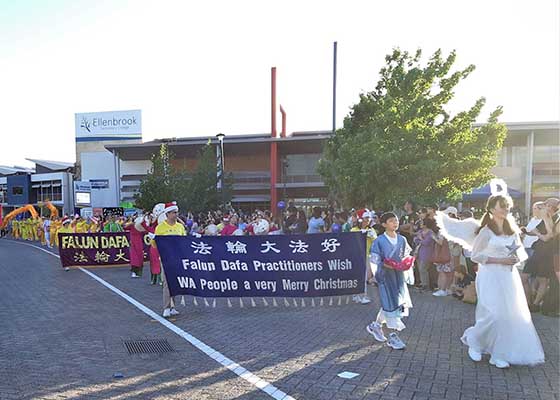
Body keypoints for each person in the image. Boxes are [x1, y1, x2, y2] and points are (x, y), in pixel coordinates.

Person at [436, 180, 544, 368]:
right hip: (489, 275)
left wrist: (514, 260)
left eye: (507, 207)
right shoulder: (485, 231)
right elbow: (475, 255)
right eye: (501, 207)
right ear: (492, 209)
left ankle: (498, 352)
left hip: (508, 276)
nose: (504, 210)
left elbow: (519, 253)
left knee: (509, 315)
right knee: (493, 314)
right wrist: (499, 260)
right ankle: (475, 341)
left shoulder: (512, 231)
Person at [366, 212, 414, 350]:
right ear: (384, 224)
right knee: (391, 303)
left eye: (396, 220)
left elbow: (406, 255)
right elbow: (374, 259)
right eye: (392, 221)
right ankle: (393, 336)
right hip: (385, 276)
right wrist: (376, 273)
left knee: (394, 302)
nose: (395, 223)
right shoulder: (379, 241)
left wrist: (407, 263)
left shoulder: (402, 239)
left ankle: (375, 325)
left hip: (398, 275)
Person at [152, 201, 186, 318]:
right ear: (167, 214)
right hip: (166, 259)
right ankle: (166, 307)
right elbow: (154, 244)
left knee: (175, 282)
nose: (176, 215)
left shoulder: (180, 227)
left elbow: (184, 242)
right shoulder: (160, 227)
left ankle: (173, 307)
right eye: (173, 213)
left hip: (177, 258)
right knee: (167, 283)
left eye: (177, 212)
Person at [413, 218, 436, 290]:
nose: (420, 224)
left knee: (423, 268)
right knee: (420, 269)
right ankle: (423, 283)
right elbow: (415, 239)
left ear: (426, 224)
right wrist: (420, 239)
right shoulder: (420, 231)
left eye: (422, 223)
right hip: (419, 252)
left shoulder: (430, 233)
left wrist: (421, 239)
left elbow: (426, 242)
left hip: (427, 253)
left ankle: (426, 285)